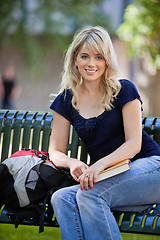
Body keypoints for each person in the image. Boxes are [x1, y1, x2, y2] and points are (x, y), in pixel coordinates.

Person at [49, 26, 160, 240]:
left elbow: (134, 144)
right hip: (114, 178)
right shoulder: (66, 100)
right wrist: (72, 163)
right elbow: (55, 151)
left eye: (99, 57)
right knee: (62, 198)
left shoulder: (124, 90)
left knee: (90, 195)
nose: (91, 64)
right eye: (85, 56)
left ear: (107, 60)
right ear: (75, 59)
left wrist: (98, 165)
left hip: (151, 169)